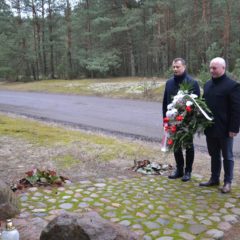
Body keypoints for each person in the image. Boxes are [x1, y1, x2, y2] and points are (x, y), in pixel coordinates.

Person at [199, 57, 240, 193]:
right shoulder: (207, 84)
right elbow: (203, 104)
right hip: (210, 127)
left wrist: (234, 128)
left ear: (223, 68)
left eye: (214, 68)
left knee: (227, 156)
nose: (212, 70)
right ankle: (214, 178)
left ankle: (227, 182)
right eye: (210, 68)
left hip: (225, 129)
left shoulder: (232, 85)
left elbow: (236, 109)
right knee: (214, 154)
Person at [162, 58, 200, 182]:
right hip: (172, 121)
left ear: (184, 67)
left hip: (187, 121)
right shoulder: (169, 83)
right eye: (173, 67)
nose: (175, 69)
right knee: (176, 145)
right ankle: (179, 169)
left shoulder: (192, 83)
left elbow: (197, 104)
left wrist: (192, 120)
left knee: (188, 146)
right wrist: (165, 119)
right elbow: (165, 102)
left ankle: (188, 171)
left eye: (177, 67)